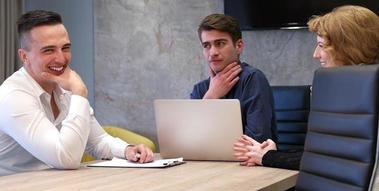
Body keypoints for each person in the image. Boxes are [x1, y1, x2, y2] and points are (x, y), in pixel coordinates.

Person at [0, 10, 154, 176]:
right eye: (49, 50)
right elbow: (66, 158)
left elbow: (97, 141)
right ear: (24, 56)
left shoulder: (63, 85)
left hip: (54, 185)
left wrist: (128, 150)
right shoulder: (12, 96)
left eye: (65, 48)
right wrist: (79, 93)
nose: (61, 58)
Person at [234, 5, 379, 170]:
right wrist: (273, 154)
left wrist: (267, 157)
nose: (315, 54)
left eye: (322, 46)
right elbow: (321, 154)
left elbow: (329, 162)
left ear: (349, 49)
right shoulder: (355, 94)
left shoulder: (362, 101)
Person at [190, 14, 276, 143]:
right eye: (206, 45)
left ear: (239, 46)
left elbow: (257, 141)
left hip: (248, 163)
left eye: (220, 43)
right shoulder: (200, 89)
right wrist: (211, 97)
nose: (212, 52)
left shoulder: (253, 79)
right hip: (209, 162)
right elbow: (189, 141)